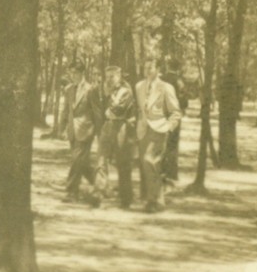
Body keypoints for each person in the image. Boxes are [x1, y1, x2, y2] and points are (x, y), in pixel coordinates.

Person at [134, 58, 184, 212]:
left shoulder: (166, 87)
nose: (147, 70)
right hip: (143, 131)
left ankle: (152, 201)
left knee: (150, 161)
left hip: (159, 129)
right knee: (148, 165)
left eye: (151, 67)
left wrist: (168, 127)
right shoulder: (139, 86)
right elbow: (140, 109)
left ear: (158, 69)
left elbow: (176, 112)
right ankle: (159, 200)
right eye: (145, 67)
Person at [61, 63, 103, 203]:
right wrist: (62, 127)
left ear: (82, 73)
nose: (73, 76)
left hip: (86, 130)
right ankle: (100, 185)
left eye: (76, 73)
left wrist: (98, 132)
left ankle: (71, 192)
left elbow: (97, 112)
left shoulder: (91, 89)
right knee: (82, 163)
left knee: (76, 160)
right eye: (71, 73)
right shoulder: (68, 89)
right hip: (72, 130)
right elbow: (66, 110)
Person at [97, 65, 137, 208]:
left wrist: (109, 102)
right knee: (101, 160)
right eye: (107, 77)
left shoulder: (125, 91)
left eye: (112, 77)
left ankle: (126, 199)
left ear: (119, 77)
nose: (109, 80)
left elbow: (118, 111)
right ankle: (99, 195)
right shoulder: (105, 91)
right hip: (107, 126)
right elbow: (101, 110)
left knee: (122, 163)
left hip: (121, 127)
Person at [160, 60, 189, 186]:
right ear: (178, 68)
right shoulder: (179, 81)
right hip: (173, 115)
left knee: (160, 142)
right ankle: (171, 173)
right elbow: (183, 99)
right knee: (172, 142)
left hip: (160, 115)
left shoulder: (161, 78)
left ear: (168, 66)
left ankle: (160, 171)